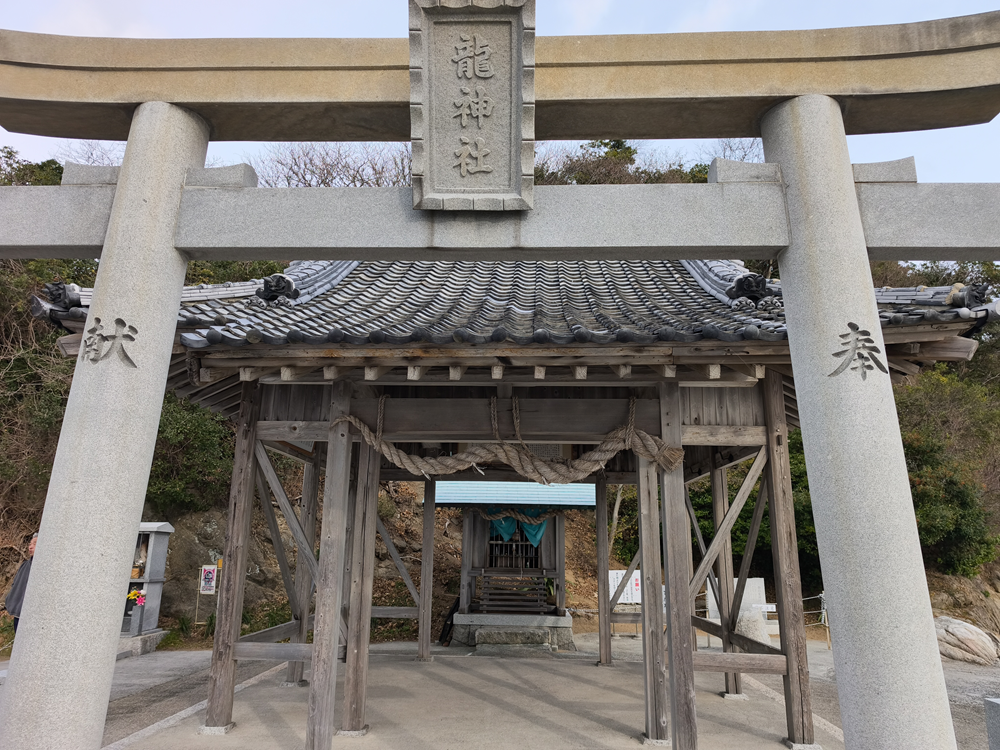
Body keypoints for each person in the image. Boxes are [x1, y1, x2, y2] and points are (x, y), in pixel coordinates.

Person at [4, 532, 37, 633]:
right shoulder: (25, 565)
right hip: (19, 614)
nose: (30, 547)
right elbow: (15, 585)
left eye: (35, 544)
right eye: (30, 544)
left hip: (32, 617)